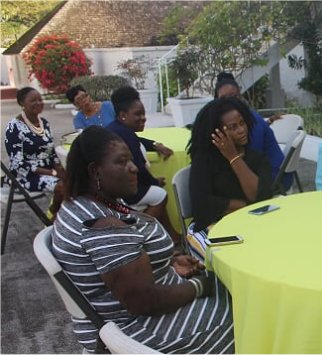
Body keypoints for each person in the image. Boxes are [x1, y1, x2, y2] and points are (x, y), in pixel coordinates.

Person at [52, 125, 234, 353]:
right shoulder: (102, 227)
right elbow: (144, 301)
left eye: (131, 159)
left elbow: (125, 263)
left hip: (131, 313)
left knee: (234, 286)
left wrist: (167, 262)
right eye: (121, 162)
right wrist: (199, 286)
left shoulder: (86, 204)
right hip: (135, 330)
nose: (134, 168)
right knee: (248, 311)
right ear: (94, 171)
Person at [187, 97, 274, 260]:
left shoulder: (256, 158)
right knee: (231, 259)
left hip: (250, 224)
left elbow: (258, 196)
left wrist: (233, 157)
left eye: (242, 123)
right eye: (233, 127)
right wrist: (246, 207)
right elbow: (202, 204)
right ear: (217, 132)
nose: (241, 130)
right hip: (211, 226)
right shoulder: (204, 159)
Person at [106, 86, 181, 242]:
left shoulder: (115, 128)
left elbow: (137, 140)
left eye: (144, 114)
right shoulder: (126, 135)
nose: (143, 118)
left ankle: (170, 235)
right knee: (161, 195)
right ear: (123, 115)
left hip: (111, 188)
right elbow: (139, 169)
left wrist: (154, 144)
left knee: (156, 192)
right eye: (138, 114)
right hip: (124, 191)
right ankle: (139, 235)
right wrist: (155, 182)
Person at [213, 72, 289, 192]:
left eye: (233, 97)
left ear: (240, 96)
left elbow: (250, 161)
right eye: (223, 99)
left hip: (276, 177)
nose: (229, 103)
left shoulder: (250, 122)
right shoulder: (231, 120)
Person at [4, 87, 64, 193]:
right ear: (22, 103)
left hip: (49, 170)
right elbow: (17, 163)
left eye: (40, 100)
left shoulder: (44, 123)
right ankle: (53, 209)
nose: (38, 103)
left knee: (77, 181)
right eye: (33, 101)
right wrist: (52, 172)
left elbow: (52, 153)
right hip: (25, 176)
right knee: (62, 187)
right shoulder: (14, 127)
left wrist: (61, 170)